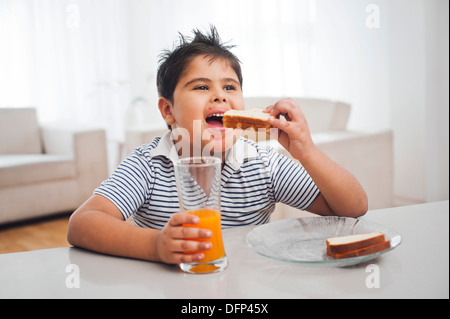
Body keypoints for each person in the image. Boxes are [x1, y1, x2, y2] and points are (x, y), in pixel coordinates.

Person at [67, 26, 367, 265]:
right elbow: (82, 224)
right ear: (168, 110)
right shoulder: (148, 164)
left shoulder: (262, 162)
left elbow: (352, 208)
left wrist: (307, 152)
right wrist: (156, 246)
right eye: (201, 86)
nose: (220, 96)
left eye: (229, 86)